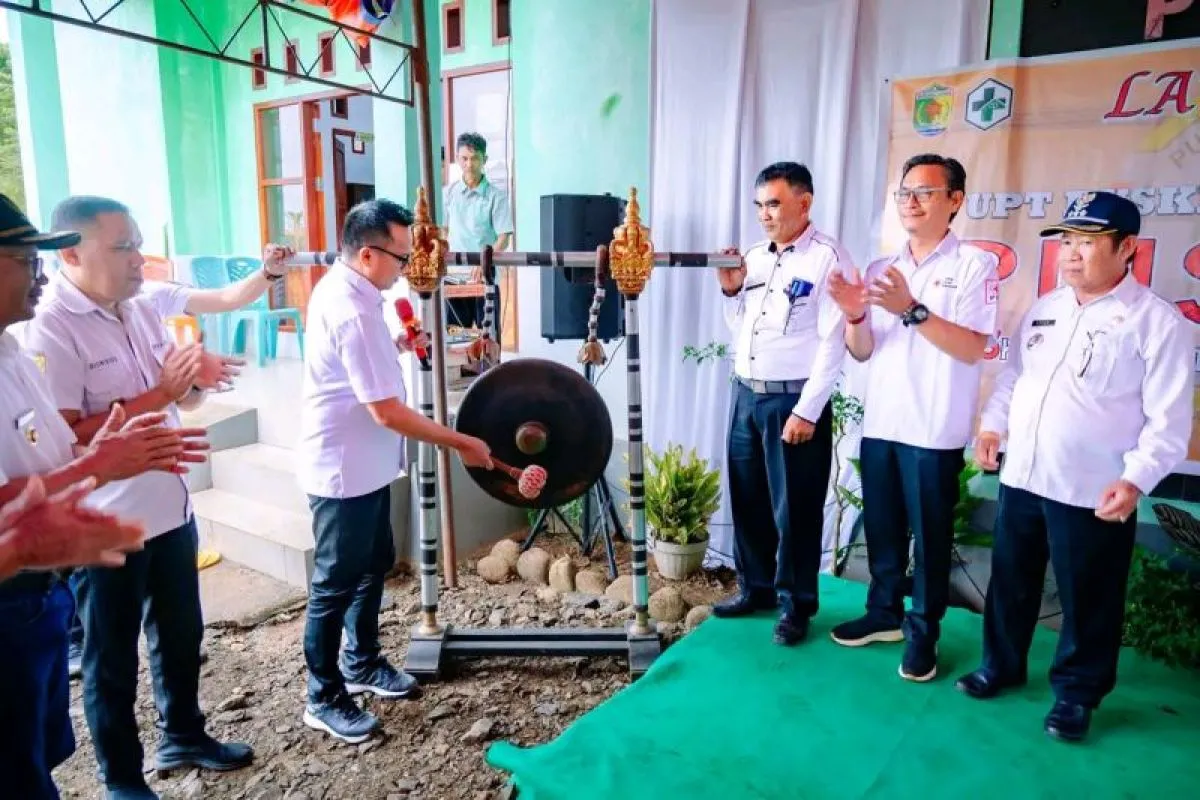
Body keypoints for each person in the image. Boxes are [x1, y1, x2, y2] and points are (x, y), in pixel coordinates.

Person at [22, 195, 253, 799]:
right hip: (105, 523)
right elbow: (66, 437)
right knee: (111, 658)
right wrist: (161, 394)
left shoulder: (141, 307)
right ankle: (122, 778)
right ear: (71, 254)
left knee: (181, 635)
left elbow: (178, 396)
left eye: (138, 245)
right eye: (122, 247)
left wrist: (193, 381)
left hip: (169, 507)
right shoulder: (51, 327)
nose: (137, 259)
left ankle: (184, 734)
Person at [955, 191, 1192, 742]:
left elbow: (1169, 422)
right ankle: (1000, 666)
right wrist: (992, 427)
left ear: (1127, 247)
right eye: (1066, 241)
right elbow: (1015, 378)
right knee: (1011, 580)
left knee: (1090, 597)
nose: (1071, 254)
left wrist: (1135, 479)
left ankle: (1077, 695)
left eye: (1087, 242)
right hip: (1024, 476)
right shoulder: (1047, 308)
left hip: (1094, 489)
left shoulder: (1156, 323)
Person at [298, 198, 492, 744]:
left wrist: (398, 342)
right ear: (367, 254)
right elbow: (385, 410)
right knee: (334, 584)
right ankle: (323, 696)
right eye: (401, 258)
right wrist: (460, 442)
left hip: (369, 466)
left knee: (373, 565)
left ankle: (360, 662)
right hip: (342, 471)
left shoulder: (356, 295)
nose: (407, 269)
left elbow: (359, 362)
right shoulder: (351, 308)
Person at [827, 154, 1000, 682]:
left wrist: (911, 307)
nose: (911, 202)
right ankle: (883, 614)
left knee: (930, 538)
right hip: (882, 423)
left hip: (934, 430)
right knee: (883, 530)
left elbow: (972, 347)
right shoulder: (881, 268)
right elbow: (861, 351)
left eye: (925, 192)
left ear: (955, 200)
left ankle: (923, 631)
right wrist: (855, 314)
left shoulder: (973, 265)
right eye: (904, 193)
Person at [710, 162, 851, 646]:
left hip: (793, 399)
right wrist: (731, 290)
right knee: (748, 497)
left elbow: (834, 341)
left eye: (773, 204)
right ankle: (757, 588)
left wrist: (807, 410)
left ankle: (796, 605)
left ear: (804, 203)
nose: (764, 215)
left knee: (795, 509)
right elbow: (740, 326)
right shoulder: (754, 256)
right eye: (759, 206)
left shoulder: (828, 258)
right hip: (747, 394)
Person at [443, 132, 513, 341]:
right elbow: (444, 232)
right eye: (464, 158)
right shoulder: (449, 194)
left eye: (475, 158)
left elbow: (504, 238)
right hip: (454, 278)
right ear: (457, 159)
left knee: (488, 340)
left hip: (485, 278)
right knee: (455, 339)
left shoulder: (496, 197)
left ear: (485, 160)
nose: (469, 164)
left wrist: (484, 263)